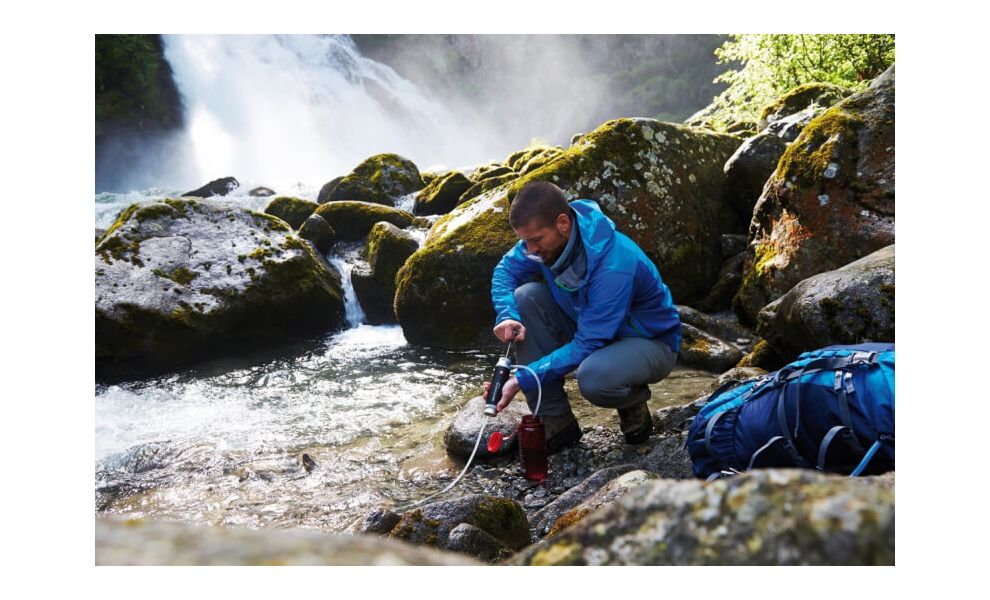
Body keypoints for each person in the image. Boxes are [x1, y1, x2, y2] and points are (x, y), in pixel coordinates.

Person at [484, 180, 681, 453]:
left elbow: (588, 344)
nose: (530, 251)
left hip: (649, 342)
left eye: (536, 240)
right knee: (525, 297)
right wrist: (507, 315)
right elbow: (505, 271)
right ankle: (554, 418)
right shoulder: (544, 242)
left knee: (593, 378)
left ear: (562, 223)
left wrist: (521, 379)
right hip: (588, 324)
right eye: (524, 241)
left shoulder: (614, 265)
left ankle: (631, 400)